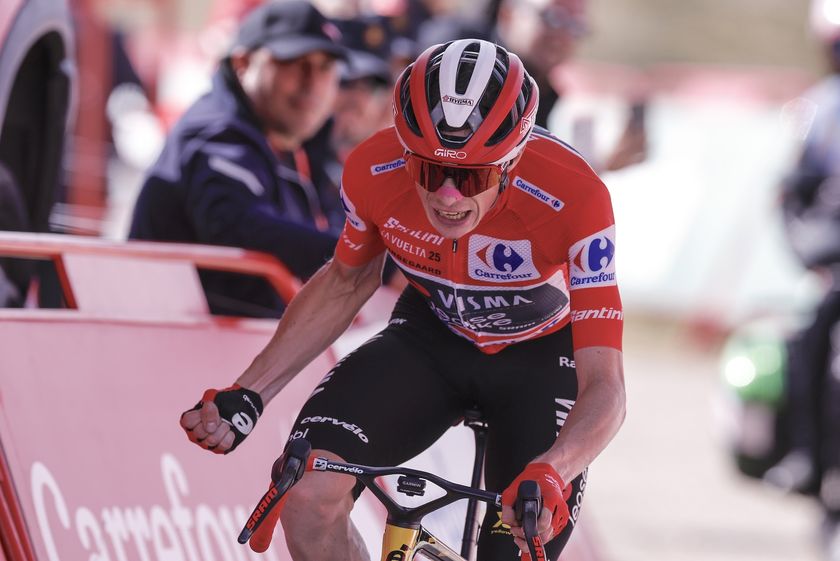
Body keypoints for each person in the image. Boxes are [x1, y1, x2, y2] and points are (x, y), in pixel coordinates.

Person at [180, 38, 626, 561]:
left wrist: (556, 468)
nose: (448, 195)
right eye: (429, 170)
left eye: (473, 176)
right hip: (431, 337)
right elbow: (345, 282)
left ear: (511, 161)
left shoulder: (576, 196)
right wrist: (250, 393)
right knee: (307, 493)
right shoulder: (374, 169)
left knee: (522, 539)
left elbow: (607, 386)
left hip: (542, 357)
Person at [128, 1, 347, 317]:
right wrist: (357, 259)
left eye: (326, 66)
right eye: (295, 62)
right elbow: (236, 224)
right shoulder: (216, 132)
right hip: (176, 336)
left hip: (235, 338)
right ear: (243, 63)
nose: (312, 82)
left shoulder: (297, 142)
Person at [764, 2, 840, 557]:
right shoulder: (818, 109)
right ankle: (809, 456)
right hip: (834, 263)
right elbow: (791, 194)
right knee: (811, 338)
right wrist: (815, 255)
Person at [494, 0, 647, 172]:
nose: (563, 35)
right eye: (553, 18)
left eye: (576, 26)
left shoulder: (543, 92)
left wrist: (597, 168)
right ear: (508, 15)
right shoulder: (477, 70)